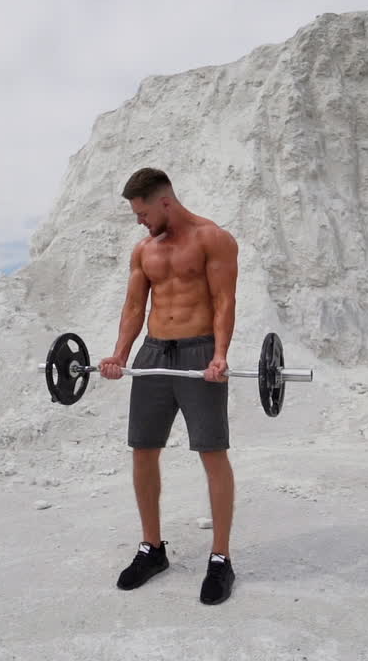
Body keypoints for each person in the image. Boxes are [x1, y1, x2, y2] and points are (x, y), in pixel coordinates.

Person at [98, 167, 240, 605]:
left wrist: (220, 355)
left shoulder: (213, 238)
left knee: (211, 452)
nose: (139, 221)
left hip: (199, 354)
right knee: (143, 449)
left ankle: (220, 559)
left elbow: (224, 301)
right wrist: (121, 354)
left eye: (142, 212)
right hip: (154, 354)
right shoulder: (144, 250)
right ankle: (152, 548)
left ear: (165, 201)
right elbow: (134, 306)